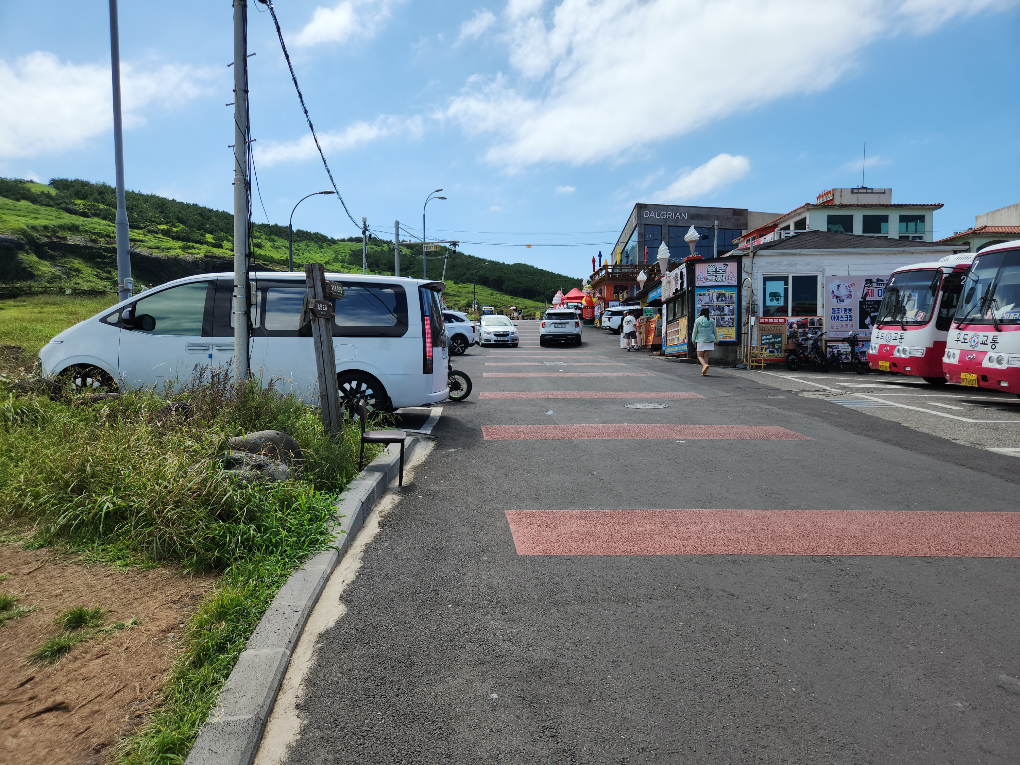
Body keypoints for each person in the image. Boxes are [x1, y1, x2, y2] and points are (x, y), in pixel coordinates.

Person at [692, 306, 718, 375]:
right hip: (710, 340)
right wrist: (716, 340)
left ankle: (704, 365)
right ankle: (704, 371)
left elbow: (695, 331)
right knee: (706, 356)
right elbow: (715, 331)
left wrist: (693, 340)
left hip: (701, 341)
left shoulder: (697, 320)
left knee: (700, 356)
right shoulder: (711, 320)